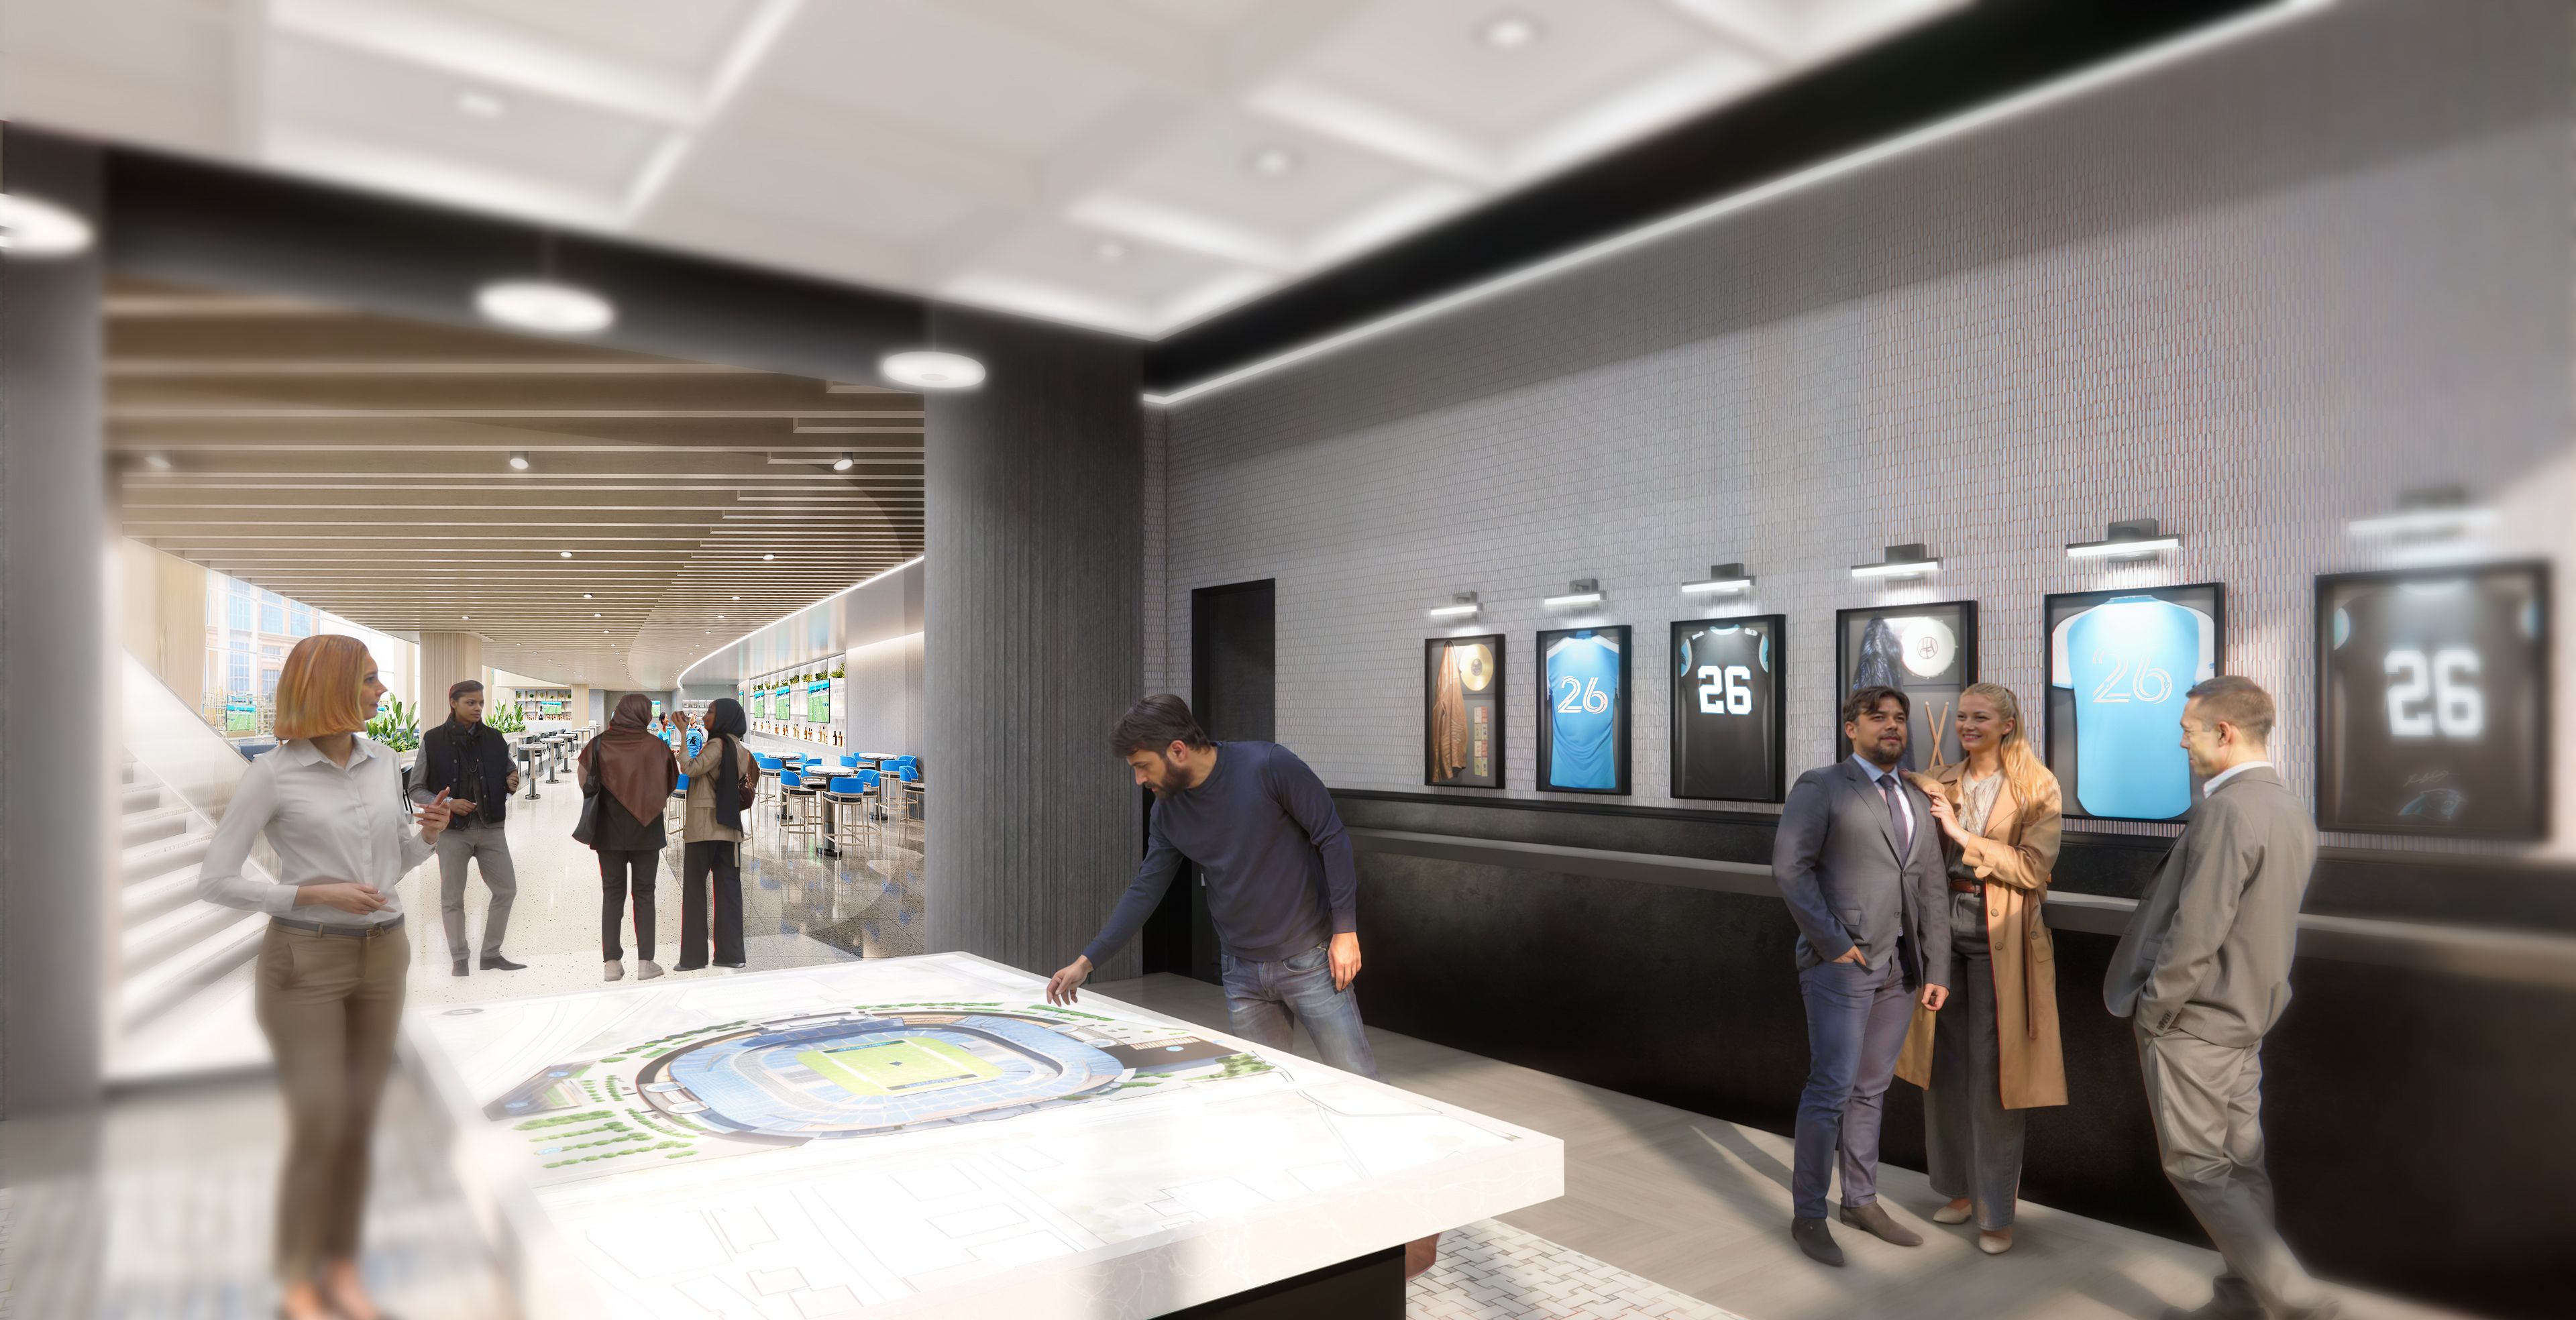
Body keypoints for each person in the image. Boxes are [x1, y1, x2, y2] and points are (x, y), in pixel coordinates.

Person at [1045, 696, 1438, 1278]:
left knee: (1361, 1094)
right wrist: (1088, 961)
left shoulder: (1268, 766)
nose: (1140, 779)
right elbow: (1147, 888)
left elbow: (1331, 836)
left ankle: (1415, 1222)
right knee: (1265, 1106)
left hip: (1311, 961)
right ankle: (1297, 1238)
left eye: (1143, 766)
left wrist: (1346, 930)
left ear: (1177, 750)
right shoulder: (1170, 813)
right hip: (1243, 975)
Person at [196, 635, 458, 1320]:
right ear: (331, 686)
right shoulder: (273, 775)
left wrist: (427, 837)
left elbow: (392, 863)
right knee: (319, 1124)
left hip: (384, 954)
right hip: (305, 961)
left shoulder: (385, 761)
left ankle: (341, 1271)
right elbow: (216, 880)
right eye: (369, 680)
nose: (382, 691)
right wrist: (310, 893)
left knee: (360, 1123)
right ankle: (296, 1284)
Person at [2105, 677, 2336, 1320]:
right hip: (2247, 1018)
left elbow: (2196, 930)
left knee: (2199, 1169)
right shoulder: (2288, 806)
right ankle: (2241, 1299)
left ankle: (2299, 1300)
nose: (2182, 742)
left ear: (2224, 733)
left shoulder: (2228, 809)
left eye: (2189, 730)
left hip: (2197, 1023)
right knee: (2242, 1166)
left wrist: (2155, 1011)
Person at [1772, 684, 1951, 1268]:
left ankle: (1861, 1202)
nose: (1892, 726)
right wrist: (1833, 943)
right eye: (1878, 718)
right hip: (1843, 966)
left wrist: (1937, 965)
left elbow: (1932, 886)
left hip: (1902, 968)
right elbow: (1790, 869)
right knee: (1830, 1089)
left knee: (1871, 1090)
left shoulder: (1917, 796)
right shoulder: (1822, 785)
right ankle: (1808, 1214)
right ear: (1852, 728)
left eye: (1899, 718)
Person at [1896, 682, 2065, 1256]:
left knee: (1996, 1075)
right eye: (1963, 716)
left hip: (2002, 934)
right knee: (1943, 1067)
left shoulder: (2037, 785)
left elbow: (2033, 869)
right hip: (1942, 928)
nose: (1968, 726)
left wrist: (1960, 835)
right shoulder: (1939, 779)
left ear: (2007, 724)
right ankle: (1959, 1190)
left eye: (1981, 718)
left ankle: (1997, 1212)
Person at [408, 679, 526, 977]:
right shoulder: (433, 740)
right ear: (454, 703)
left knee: (506, 890)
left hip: (491, 827)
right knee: (452, 897)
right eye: (471, 703)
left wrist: (513, 780)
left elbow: (510, 771)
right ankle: (459, 958)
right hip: (452, 832)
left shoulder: (495, 738)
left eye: (481, 703)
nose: (477, 708)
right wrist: (449, 804)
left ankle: (491, 954)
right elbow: (416, 788)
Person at [582, 694, 678, 982]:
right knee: (645, 895)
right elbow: (671, 783)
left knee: (612, 895)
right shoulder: (657, 747)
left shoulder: (599, 744)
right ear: (643, 715)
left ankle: (611, 964)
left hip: (608, 832)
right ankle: (646, 963)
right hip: (647, 832)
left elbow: (585, 782)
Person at [676, 698, 759, 971]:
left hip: (704, 828)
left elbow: (690, 768)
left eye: (711, 712)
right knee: (729, 892)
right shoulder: (740, 748)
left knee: (695, 891)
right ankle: (731, 954)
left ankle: (694, 957)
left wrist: (683, 734)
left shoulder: (717, 744)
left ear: (723, 717)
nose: (705, 716)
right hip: (729, 828)